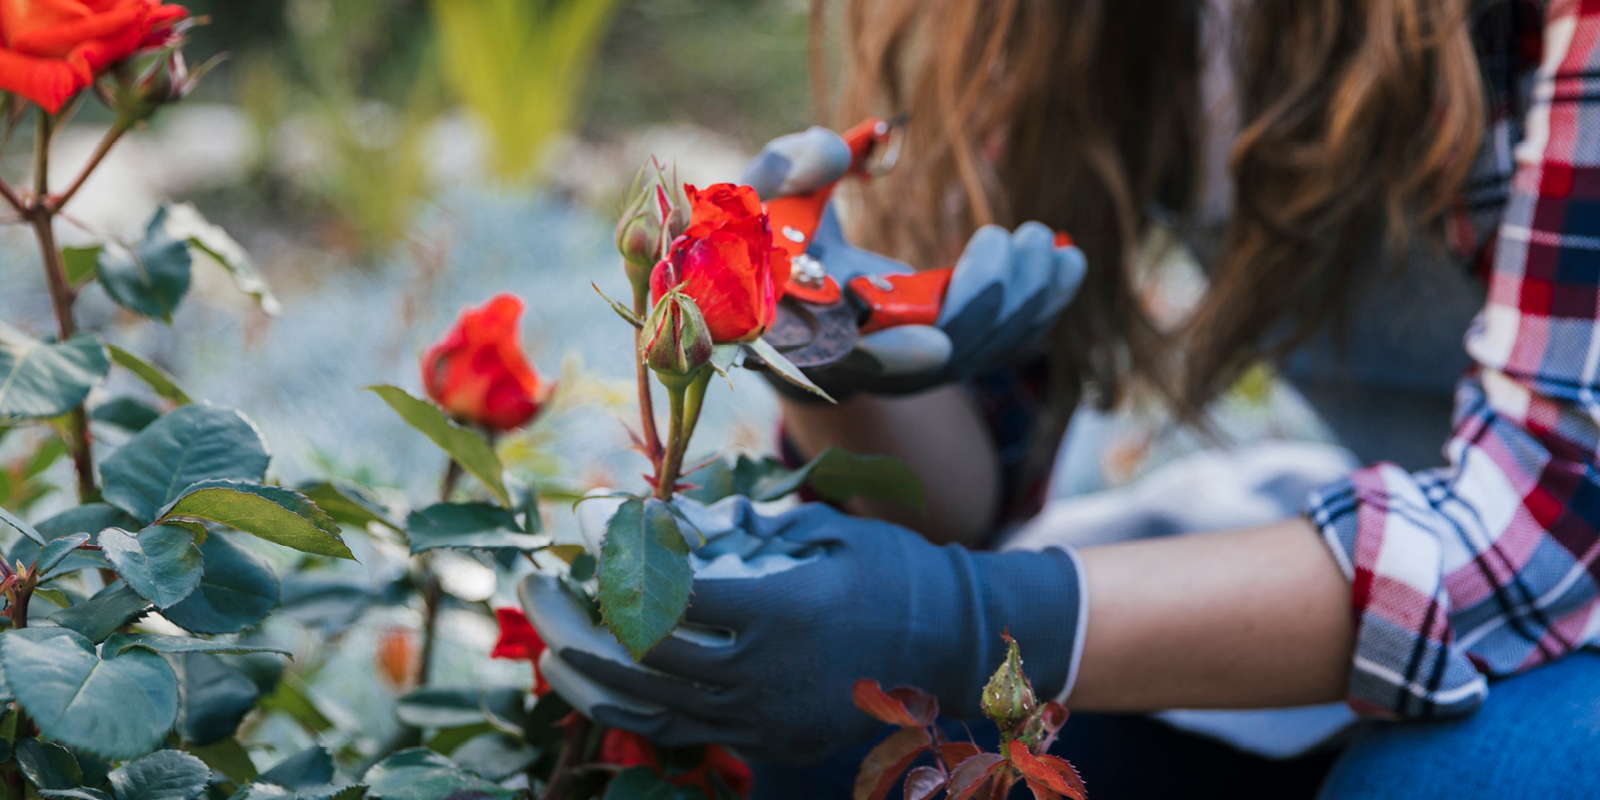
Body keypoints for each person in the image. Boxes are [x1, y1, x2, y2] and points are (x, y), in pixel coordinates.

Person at [528, 0, 1600, 796]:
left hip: (1547, 559)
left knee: (1459, 780)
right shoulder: (1094, 31)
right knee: (827, 756)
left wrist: (968, 617)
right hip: (1445, 549)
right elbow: (958, 497)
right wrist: (827, 343)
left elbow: (1554, 514)